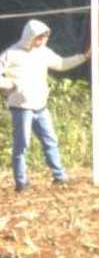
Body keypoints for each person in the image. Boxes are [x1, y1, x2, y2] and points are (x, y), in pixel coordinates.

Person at [0, 20, 89, 192]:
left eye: (45, 36)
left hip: (40, 106)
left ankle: (60, 176)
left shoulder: (44, 53)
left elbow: (61, 64)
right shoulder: (11, 54)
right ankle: (21, 183)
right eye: (40, 37)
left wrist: (83, 57)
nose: (43, 40)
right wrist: (8, 84)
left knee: (51, 141)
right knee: (22, 145)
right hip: (21, 107)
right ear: (30, 37)